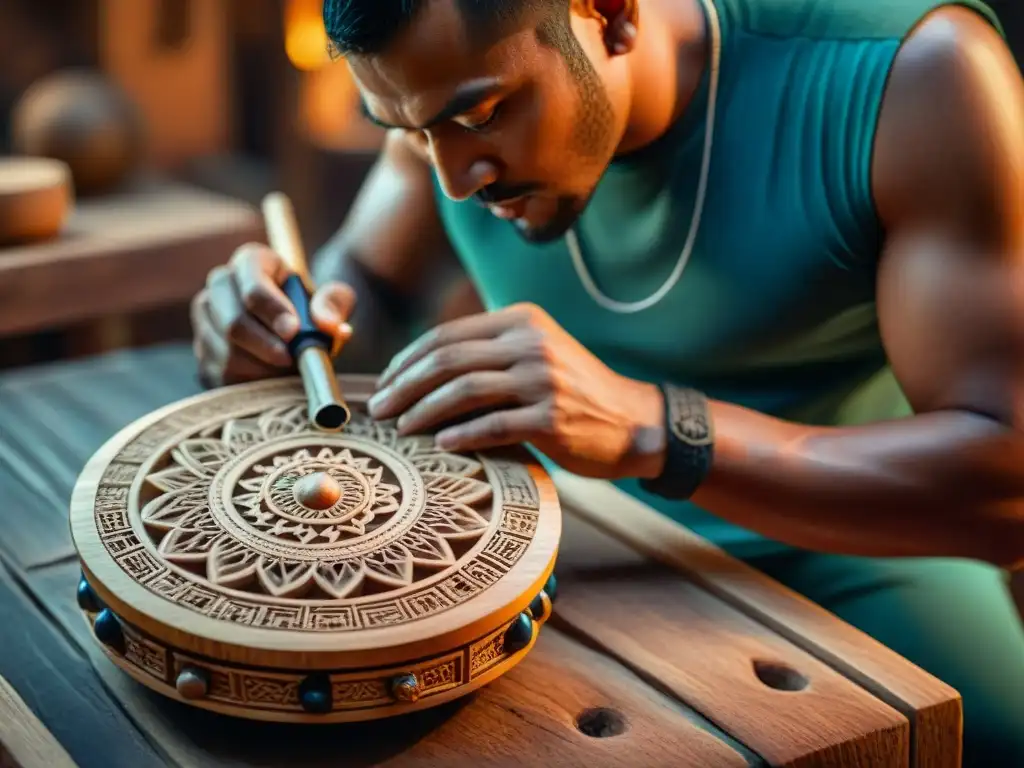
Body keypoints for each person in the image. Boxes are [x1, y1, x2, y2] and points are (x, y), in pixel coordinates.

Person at [190, 0, 1024, 761]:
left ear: (612, 15)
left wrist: (653, 429)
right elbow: (368, 281)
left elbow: (1007, 487)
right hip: (554, 544)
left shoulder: (916, 75)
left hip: (860, 545)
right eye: (408, 133)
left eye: (481, 115)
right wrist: (285, 327)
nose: (452, 179)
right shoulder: (443, 100)